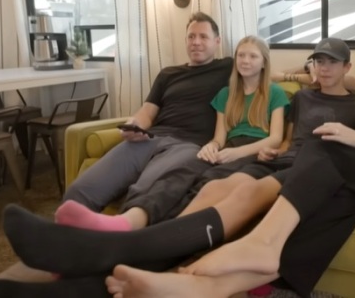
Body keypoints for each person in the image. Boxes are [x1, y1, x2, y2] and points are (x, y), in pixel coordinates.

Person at [104, 7, 355, 298]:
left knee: (326, 143)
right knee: (319, 211)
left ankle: (261, 243)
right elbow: (322, 79)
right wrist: (281, 74)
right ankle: (197, 284)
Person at [0, 38, 355, 298]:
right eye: (319, 61)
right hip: (277, 163)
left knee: (229, 190)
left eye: (333, 62)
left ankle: (105, 260)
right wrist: (261, 147)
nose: (324, 68)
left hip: (308, 170)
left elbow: (354, 135)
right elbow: (285, 139)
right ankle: (115, 250)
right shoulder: (299, 96)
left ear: (347, 66)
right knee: (203, 184)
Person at [55, 35, 289, 232]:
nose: (246, 61)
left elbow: (276, 138)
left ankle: (159, 233)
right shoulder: (226, 94)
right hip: (226, 148)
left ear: (263, 62)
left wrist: (236, 153)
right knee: (179, 175)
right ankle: (123, 223)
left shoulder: (274, 93)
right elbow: (220, 137)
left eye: (253, 56)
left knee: (203, 183)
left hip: (252, 150)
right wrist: (213, 146)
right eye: (241, 55)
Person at [62, 12, 234, 214]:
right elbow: (147, 112)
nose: (196, 42)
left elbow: (258, 66)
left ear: (217, 41)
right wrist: (134, 125)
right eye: (191, 36)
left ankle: (120, 229)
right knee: (79, 191)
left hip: (188, 145)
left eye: (203, 37)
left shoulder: (228, 68)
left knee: (144, 193)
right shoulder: (168, 74)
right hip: (149, 139)